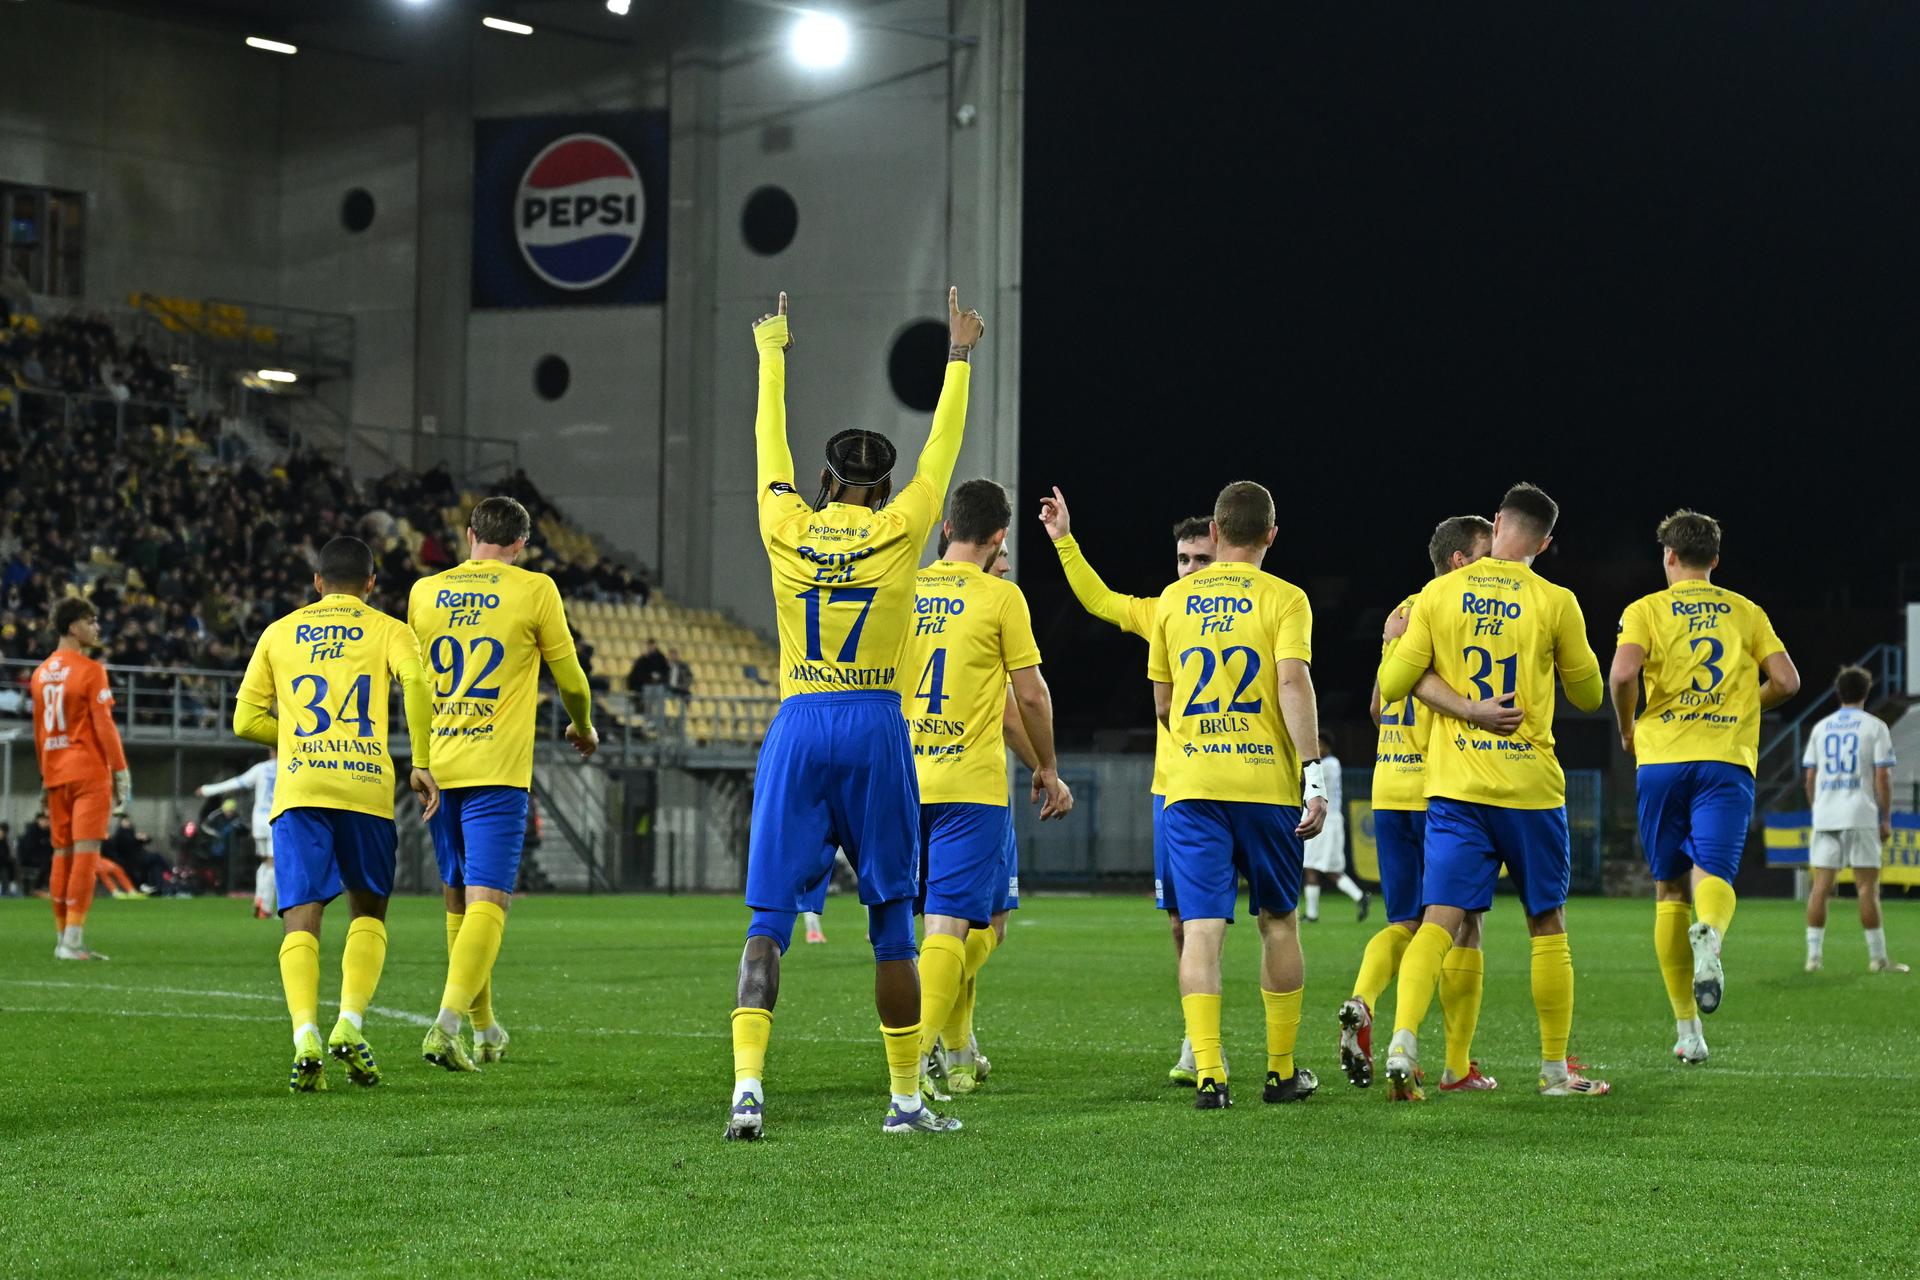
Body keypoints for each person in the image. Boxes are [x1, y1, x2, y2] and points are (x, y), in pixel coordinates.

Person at [727, 286, 982, 1140]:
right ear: (883, 488)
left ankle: (748, 1092)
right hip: (876, 725)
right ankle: (905, 1101)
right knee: (891, 924)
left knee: (768, 922)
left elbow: (767, 444)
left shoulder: (786, 523)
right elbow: (943, 451)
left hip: (799, 720)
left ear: (827, 481)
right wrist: (958, 356)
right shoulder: (904, 526)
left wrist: (771, 351)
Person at [1377, 482, 1611, 1099]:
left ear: (1498, 522)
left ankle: (1403, 1040)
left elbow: (1395, 683)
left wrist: (1456, 698)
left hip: (1456, 787)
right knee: (1547, 921)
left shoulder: (1440, 592)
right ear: (1545, 543)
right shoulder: (1556, 601)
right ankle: (1555, 1071)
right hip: (1530, 788)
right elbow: (1590, 695)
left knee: (1439, 919)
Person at [232, 535, 439, 1092]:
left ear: (317, 582)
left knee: (300, 915)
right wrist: (421, 762)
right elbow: (416, 684)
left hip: (301, 789)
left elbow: (245, 720)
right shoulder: (390, 629)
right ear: (370, 583)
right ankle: (349, 1023)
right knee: (368, 911)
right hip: (365, 785)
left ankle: (305, 1033)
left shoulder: (278, 632)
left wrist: (299, 740)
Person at [1149, 480, 1327, 1110]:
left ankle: (1209, 1075)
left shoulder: (1173, 600)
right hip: (1263, 783)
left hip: (1192, 785)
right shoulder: (1286, 598)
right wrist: (1313, 772)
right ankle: (1280, 1073)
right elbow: (1292, 682)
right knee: (1278, 922)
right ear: (1271, 535)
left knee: (1200, 930)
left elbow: (1164, 703)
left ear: (1215, 533)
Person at [1037, 485, 1221, 1085]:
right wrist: (1065, 541)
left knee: (1276, 916)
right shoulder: (1165, 610)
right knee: (1182, 921)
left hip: (1249, 782)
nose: (1190, 569)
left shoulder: (1263, 606)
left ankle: (1281, 1059)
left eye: (1202, 559)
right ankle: (1200, 1041)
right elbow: (1100, 600)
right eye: (1183, 559)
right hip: (1179, 788)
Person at [409, 495, 597, 1072]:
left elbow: (414, 683)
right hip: (496, 770)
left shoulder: (424, 592)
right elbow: (571, 679)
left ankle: (484, 1026)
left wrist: (419, 756)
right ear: (521, 543)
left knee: (458, 903)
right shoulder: (535, 589)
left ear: (470, 534)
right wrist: (583, 725)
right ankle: (446, 1025)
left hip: (439, 768)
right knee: (488, 901)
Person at [1609, 509, 1800, 1064]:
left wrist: (1627, 727)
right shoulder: (1746, 611)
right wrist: (1746, 705)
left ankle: (1688, 1033)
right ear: (1714, 559)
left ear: (1669, 556)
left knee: (1669, 891)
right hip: (1725, 760)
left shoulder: (1645, 609)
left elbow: (1622, 674)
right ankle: (1710, 933)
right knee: (1713, 875)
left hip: (1662, 761)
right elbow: (1787, 681)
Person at [902, 479, 1071, 1103]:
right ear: (999, 537)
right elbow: (1028, 697)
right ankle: (915, 1058)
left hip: (901, 781)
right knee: (960, 927)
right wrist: (1047, 766)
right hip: (969, 786)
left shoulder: (902, 587)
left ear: (947, 526)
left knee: (928, 926)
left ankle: (952, 1050)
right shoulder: (1001, 597)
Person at [1340, 514, 1517, 1093]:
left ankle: (1362, 1000)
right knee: (1463, 926)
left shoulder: (1400, 613)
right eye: (1487, 554)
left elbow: (1377, 705)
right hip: (1441, 792)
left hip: (1388, 786)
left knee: (1404, 922)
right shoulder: (1457, 612)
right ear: (1460, 561)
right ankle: (1456, 1066)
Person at [31, 596, 130, 960]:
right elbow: (104, 726)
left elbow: (40, 732)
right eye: (91, 621)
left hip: (55, 771)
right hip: (88, 771)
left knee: (62, 854)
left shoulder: (40, 674)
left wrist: (45, 776)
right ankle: (72, 942)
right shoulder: (91, 670)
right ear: (74, 627)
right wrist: (120, 771)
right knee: (86, 854)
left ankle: (62, 939)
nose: (97, 628)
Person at [1802, 666, 1905, 974]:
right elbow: (1883, 776)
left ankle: (1813, 958)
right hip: (1860, 813)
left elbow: (1810, 777)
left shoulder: (1821, 728)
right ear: (1866, 692)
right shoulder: (1875, 727)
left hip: (1826, 815)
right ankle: (1878, 959)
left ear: (1839, 692)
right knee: (1866, 888)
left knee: (1820, 887)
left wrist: (1818, 807)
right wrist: (1885, 818)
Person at [198, 750, 279, 918]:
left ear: (271, 751)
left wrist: (207, 790)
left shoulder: (261, 768)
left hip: (259, 821)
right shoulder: (290, 767)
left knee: (265, 862)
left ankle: (259, 901)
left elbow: (237, 782)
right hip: (277, 820)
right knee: (274, 863)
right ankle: (265, 907)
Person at [1301, 734, 1367, 922]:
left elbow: (1305, 777)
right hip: (1328, 820)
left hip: (1325, 821)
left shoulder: (1329, 764)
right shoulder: (1331, 763)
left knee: (1312, 866)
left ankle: (1312, 914)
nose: (1318, 749)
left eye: (1320, 745)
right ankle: (1359, 896)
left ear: (1328, 747)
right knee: (1327, 868)